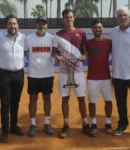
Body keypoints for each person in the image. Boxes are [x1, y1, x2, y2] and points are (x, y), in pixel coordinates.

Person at [52, 9, 93, 138]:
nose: (69, 19)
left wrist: (84, 56)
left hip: (78, 71)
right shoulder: (58, 35)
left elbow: (85, 51)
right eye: (66, 17)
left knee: (81, 98)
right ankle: (66, 125)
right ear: (63, 19)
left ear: (73, 18)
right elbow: (54, 51)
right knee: (65, 99)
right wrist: (57, 57)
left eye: (70, 17)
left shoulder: (81, 33)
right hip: (64, 72)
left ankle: (85, 124)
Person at [0, 15, 26, 142]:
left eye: (14, 23)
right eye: (10, 24)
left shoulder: (23, 37)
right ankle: (5, 131)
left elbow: (26, 51)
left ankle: (14, 126)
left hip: (19, 74)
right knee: (5, 104)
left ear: (18, 25)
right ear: (6, 26)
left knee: (15, 103)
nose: (12, 26)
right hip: (4, 74)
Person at [25, 16, 54, 137]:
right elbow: (23, 52)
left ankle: (47, 124)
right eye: (39, 23)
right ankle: (32, 124)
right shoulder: (29, 38)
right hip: (33, 75)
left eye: (44, 24)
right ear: (36, 25)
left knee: (47, 99)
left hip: (48, 74)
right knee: (33, 99)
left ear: (47, 25)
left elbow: (57, 51)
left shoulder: (52, 38)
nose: (41, 26)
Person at [86, 19, 113, 136]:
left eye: (99, 27)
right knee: (92, 102)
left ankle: (108, 122)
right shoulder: (88, 43)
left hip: (106, 77)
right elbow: (82, 54)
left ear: (103, 29)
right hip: (92, 78)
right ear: (92, 29)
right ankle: (93, 123)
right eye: (95, 27)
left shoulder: (109, 42)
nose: (97, 29)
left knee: (108, 101)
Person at [111, 7, 130, 136]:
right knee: (121, 103)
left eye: (125, 15)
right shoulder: (113, 32)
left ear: (128, 17)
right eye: (120, 16)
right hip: (118, 75)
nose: (122, 18)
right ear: (117, 18)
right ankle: (123, 125)